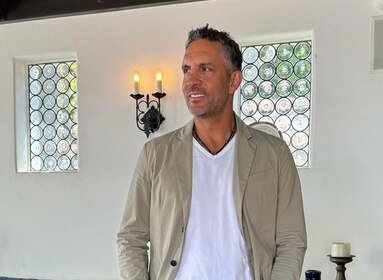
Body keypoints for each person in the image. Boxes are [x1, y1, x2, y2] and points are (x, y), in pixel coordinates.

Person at [117, 25, 307, 280]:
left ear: (233, 80)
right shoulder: (156, 154)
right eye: (187, 70)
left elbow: (291, 240)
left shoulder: (273, 154)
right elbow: (131, 237)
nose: (191, 81)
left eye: (205, 69)